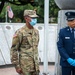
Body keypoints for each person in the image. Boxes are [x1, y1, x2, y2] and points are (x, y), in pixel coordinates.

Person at [10, 9, 39, 75]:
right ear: (26, 18)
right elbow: (13, 50)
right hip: (25, 67)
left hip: (35, 67)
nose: (35, 20)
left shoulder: (36, 32)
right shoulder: (20, 32)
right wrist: (17, 66)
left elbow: (35, 48)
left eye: (35, 18)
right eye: (32, 18)